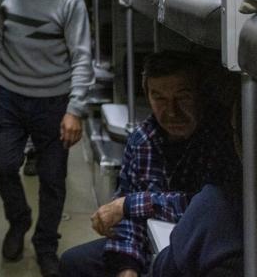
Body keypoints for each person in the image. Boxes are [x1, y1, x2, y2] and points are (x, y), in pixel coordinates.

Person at [59, 51, 240, 277]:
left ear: (200, 95)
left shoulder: (221, 138)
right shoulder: (143, 139)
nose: (172, 111)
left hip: (199, 245)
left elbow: (203, 207)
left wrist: (130, 205)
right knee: (72, 263)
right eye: (160, 98)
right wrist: (127, 266)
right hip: (150, 240)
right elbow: (126, 214)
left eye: (182, 97)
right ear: (147, 95)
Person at [0, 0, 93, 277]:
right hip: (9, 95)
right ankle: (19, 219)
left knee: (52, 179)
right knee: (1, 165)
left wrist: (75, 110)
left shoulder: (70, 0)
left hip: (53, 100)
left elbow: (82, 57)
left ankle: (46, 244)